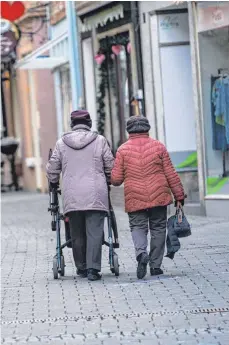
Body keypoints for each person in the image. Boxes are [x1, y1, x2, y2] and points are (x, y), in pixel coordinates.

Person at [111, 116, 186, 279]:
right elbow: (170, 173)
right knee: (158, 228)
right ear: (147, 129)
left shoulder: (122, 150)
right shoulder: (158, 147)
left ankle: (141, 254)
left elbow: (116, 180)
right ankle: (155, 266)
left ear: (129, 130)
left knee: (138, 226)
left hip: (135, 196)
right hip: (159, 194)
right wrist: (179, 195)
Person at [46, 110, 114, 281]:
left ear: (72, 124)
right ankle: (93, 269)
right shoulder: (100, 141)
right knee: (94, 232)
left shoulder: (61, 143)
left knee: (76, 232)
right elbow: (110, 167)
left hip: (72, 195)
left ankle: (82, 267)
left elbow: (53, 168)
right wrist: (108, 180)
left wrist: (53, 182)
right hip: (96, 192)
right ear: (89, 123)